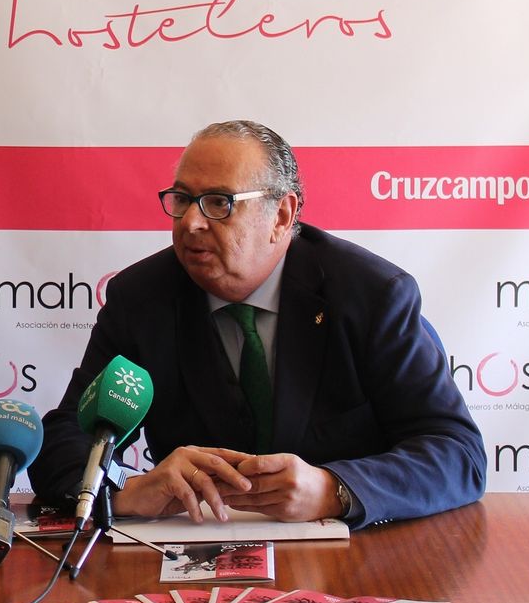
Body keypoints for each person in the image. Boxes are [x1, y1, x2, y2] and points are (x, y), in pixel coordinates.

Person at [28, 121, 484, 528]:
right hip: (194, 551)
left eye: (218, 203)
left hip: (350, 556)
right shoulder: (142, 299)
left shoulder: (370, 295)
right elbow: (64, 439)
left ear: (281, 216)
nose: (191, 222)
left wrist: (334, 489)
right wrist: (128, 491)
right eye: (183, 199)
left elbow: (457, 453)